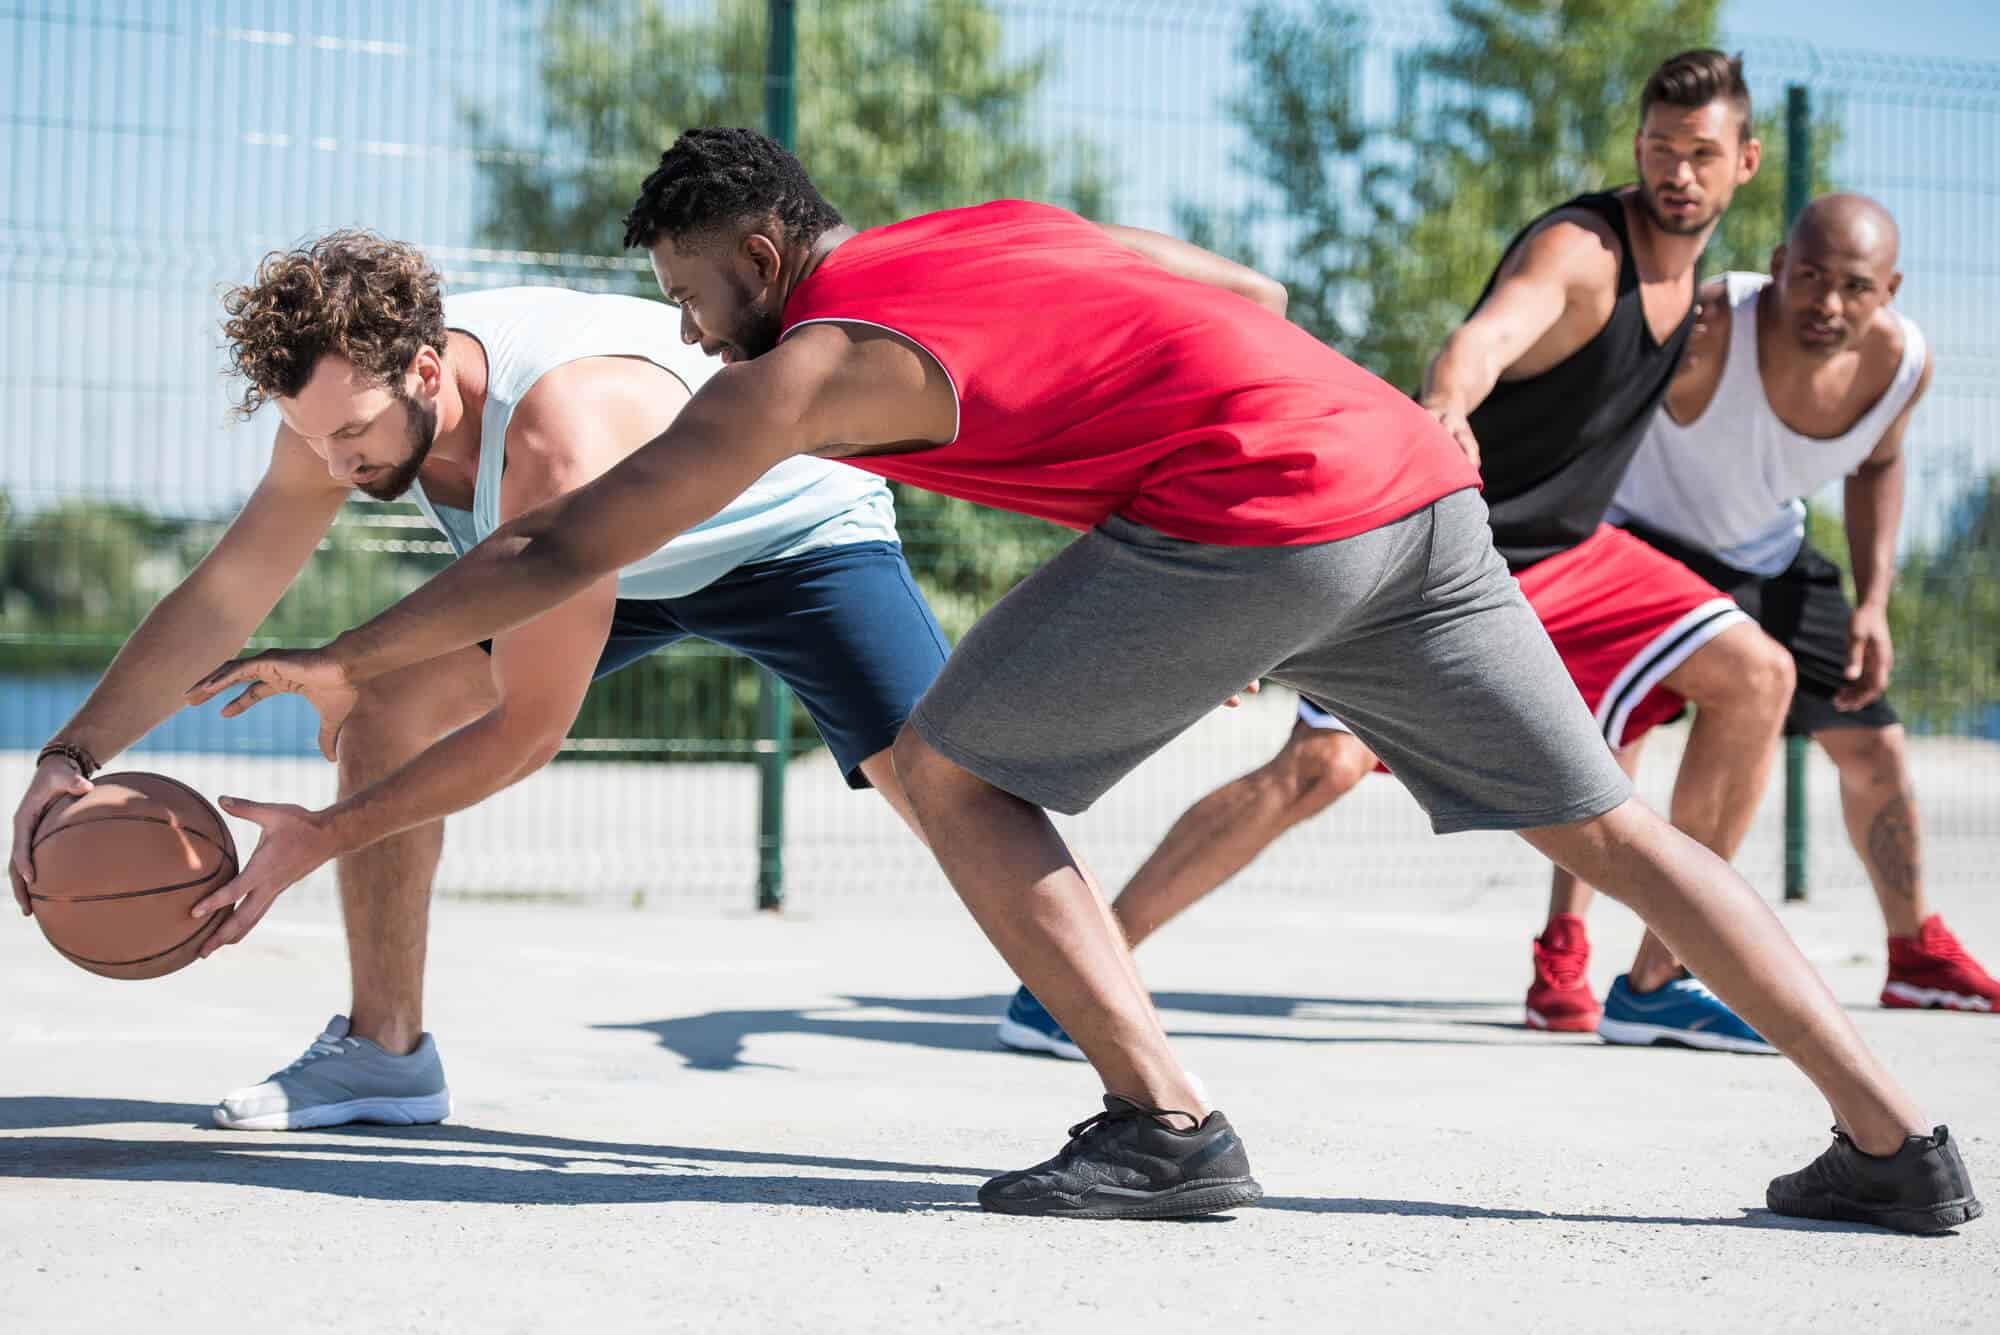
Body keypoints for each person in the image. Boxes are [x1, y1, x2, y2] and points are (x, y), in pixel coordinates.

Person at [187, 121, 1977, 1233]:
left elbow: (561, 554)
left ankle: (1164, 1125)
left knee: (945, 765)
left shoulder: (805, 362)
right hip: (1407, 481)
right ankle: (1894, 1145)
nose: (683, 331)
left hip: (1275, 512)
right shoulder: (1003, 223)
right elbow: (1239, 281)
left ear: (753, 254)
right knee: (1603, 826)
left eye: (688, 293)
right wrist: (1206, 560)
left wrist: (344, 657)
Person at [9, 231, 949, 1131]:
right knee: (389, 706)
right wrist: (72, 751)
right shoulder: (338, 404)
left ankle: (1080, 987)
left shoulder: (551, 429)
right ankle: (385, 1049)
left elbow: (527, 733)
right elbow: (225, 595)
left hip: (783, 544)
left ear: (425, 373)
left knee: (954, 795)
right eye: (315, 439)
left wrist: (323, 836)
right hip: (589, 559)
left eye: (351, 435)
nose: (335, 465)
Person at [1001, 48, 1793, 1058]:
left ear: (1744, 163)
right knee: (1319, 768)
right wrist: (1446, 403)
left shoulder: (1705, 297)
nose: (1675, 171)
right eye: (1658, 149)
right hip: (1443, 556)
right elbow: (1487, 338)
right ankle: (1072, 979)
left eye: (1698, 153)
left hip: (1571, 554)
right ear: (1635, 148)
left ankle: (1654, 984)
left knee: (1753, 675)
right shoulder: (1582, 251)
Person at [1596, 193, 1998, 1013]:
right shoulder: (1713, 321)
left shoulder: (1903, 363)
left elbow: (1878, 467)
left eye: (1855, 286)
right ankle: (1563, 955)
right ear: (1779, 265)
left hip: (1767, 554)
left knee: (1874, 744)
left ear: (1890, 289)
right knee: (1607, 751)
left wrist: (1874, 600)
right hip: (1645, 538)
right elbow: (1601, 412)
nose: (1827, 303)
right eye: (1811, 277)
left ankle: (1915, 952)